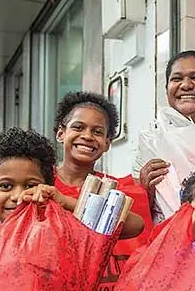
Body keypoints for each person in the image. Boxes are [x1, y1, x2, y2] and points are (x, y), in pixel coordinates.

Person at [52, 91, 146, 290]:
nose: (87, 136)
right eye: (78, 127)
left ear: (107, 143)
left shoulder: (121, 193)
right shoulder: (41, 186)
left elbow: (138, 229)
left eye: (97, 131)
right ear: (61, 133)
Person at [135, 51, 195, 222]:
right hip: (172, 241)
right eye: (176, 79)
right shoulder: (153, 139)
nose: (186, 85)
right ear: (167, 89)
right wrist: (146, 189)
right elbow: (140, 212)